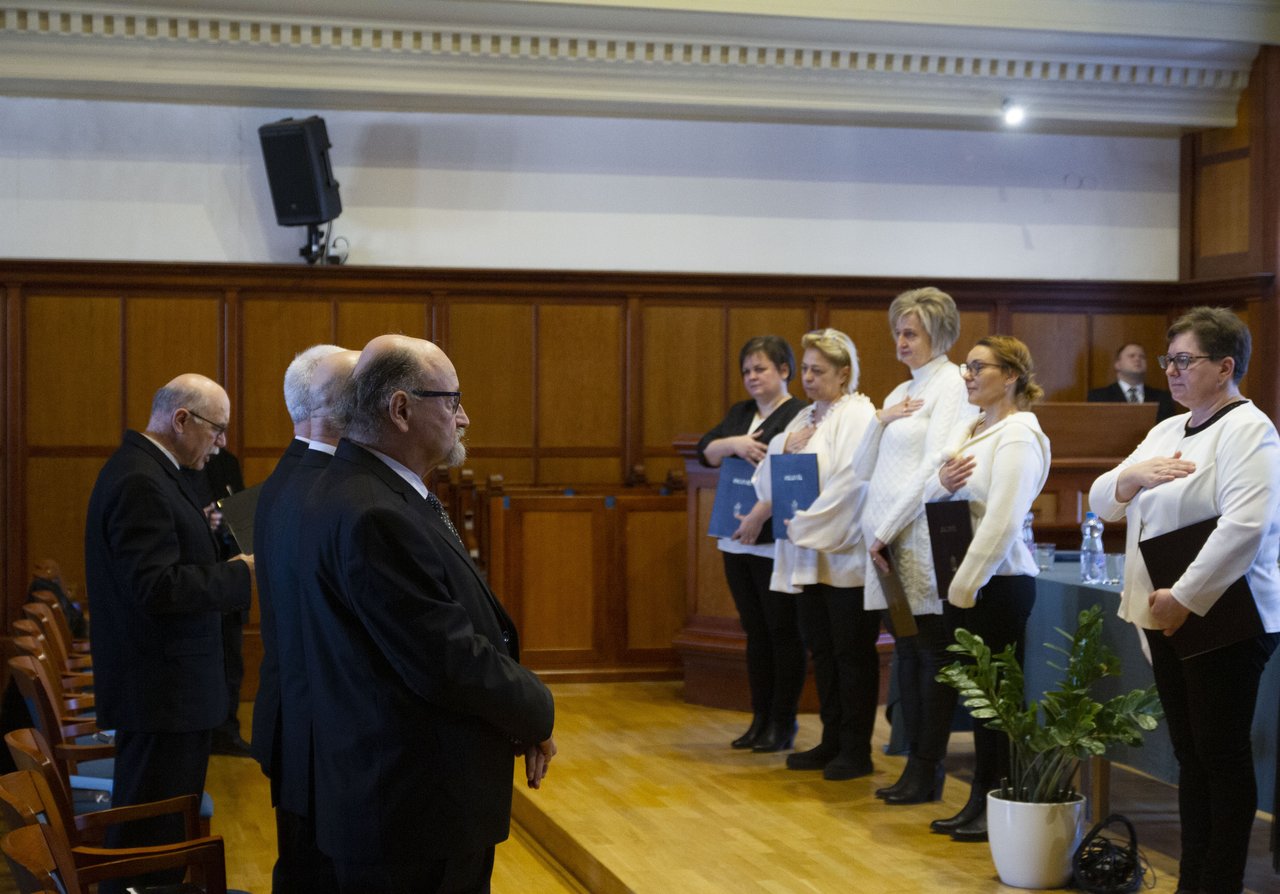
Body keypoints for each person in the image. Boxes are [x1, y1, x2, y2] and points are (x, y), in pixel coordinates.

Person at [296, 335, 556, 892]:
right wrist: (536, 710)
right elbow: (446, 660)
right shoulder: (373, 513)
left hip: (402, 800)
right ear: (401, 409)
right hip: (409, 811)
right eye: (452, 400)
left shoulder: (366, 491)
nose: (465, 417)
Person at [1089, 307, 1280, 894]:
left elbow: (1245, 526)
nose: (1170, 370)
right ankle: (1192, 877)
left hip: (1225, 614)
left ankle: (1216, 882)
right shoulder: (1167, 428)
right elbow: (1102, 502)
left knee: (1219, 754)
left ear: (1225, 367)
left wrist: (1187, 596)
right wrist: (1132, 477)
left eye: (1184, 360)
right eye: (1168, 358)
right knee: (1189, 754)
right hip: (1163, 613)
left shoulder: (1251, 430)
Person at [84, 374, 253, 893]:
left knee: (156, 841)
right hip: (160, 693)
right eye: (217, 430)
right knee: (147, 847)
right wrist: (240, 572)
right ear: (182, 420)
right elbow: (157, 587)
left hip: (167, 692)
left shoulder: (153, 471)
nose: (221, 443)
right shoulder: (141, 479)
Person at [923, 336, 1050, 842]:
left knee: (997, 709)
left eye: (979, 367)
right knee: (981, 705)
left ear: (1012, 375)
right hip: (967, 583)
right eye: (966, 368)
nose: (968, 376)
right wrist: (942, 481)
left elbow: (1001, 520)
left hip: (997, 587)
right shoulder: (975, 428)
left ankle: (996, 804)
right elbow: (936, 492)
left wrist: (966, 584)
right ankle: (979, 801)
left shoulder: (1018, 434)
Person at [738, 328, 880, 780]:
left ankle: (856, 748)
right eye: (808, 370)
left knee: (851, 654)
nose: (810, 379)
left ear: (844, 372)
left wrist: (803, 524)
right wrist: (785, 446)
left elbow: (850, 481)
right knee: (823, 650)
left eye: (820, 371)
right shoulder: (803, 419)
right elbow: (766, 482)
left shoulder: (856, 413)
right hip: (807, 556)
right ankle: (831, 738)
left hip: (843, 554)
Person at [858, 287, 977, 805]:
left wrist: (888, 527)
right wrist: (879, 420)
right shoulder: (898, 393)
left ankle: (929, 769)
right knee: (905, 654)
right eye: (898, 333)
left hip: (919, 536)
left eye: (911, 333)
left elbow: (936, 467)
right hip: (885, 537)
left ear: (940, 334)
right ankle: (912, 765)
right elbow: (863, 467)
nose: (901, 342)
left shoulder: (951, 384)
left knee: (930, 656)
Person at [253, 346, 355, 894]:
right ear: (340, 406)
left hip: (299, 718)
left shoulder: (296, 471)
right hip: (315, 729)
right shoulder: (323, 489)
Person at [696, 335, 807, 752]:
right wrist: (735, 444)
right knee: (755, 632)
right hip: (735, 539)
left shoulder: (799, 413)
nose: (752, 377)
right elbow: (706, 450)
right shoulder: (740, 413)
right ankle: (759, 719)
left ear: (783, 370)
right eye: (746, 371)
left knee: (783, 632)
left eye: (760, 368)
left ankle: (783, 722)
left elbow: (794, 466)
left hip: (774, 540)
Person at [185, 447, 252, 757]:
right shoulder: (177, 469)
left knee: (232, 664)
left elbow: (241, 520)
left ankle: (227, 731)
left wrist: (226, 521)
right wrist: (203, 522)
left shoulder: (227, 463)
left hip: (231, 576)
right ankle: (208, 732)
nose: (220, 439)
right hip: (199, 584)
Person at [1088, 342, 1177, 420]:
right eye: (1131, 356)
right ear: (1117, 364)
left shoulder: (1163, 398)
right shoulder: (1098, 397)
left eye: (1142, 357)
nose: (1137, 359)